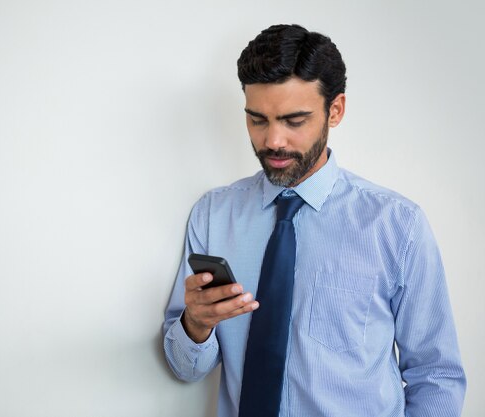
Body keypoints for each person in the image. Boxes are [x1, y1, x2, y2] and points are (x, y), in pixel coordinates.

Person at [163, 24, 466, 417]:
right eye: (257, 119)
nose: (272, 140)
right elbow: (185, 368)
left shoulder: (396, 225)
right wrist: (196, 324)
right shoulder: (213, 215)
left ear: (335, 110)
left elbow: (436, 374)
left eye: (294, 120)